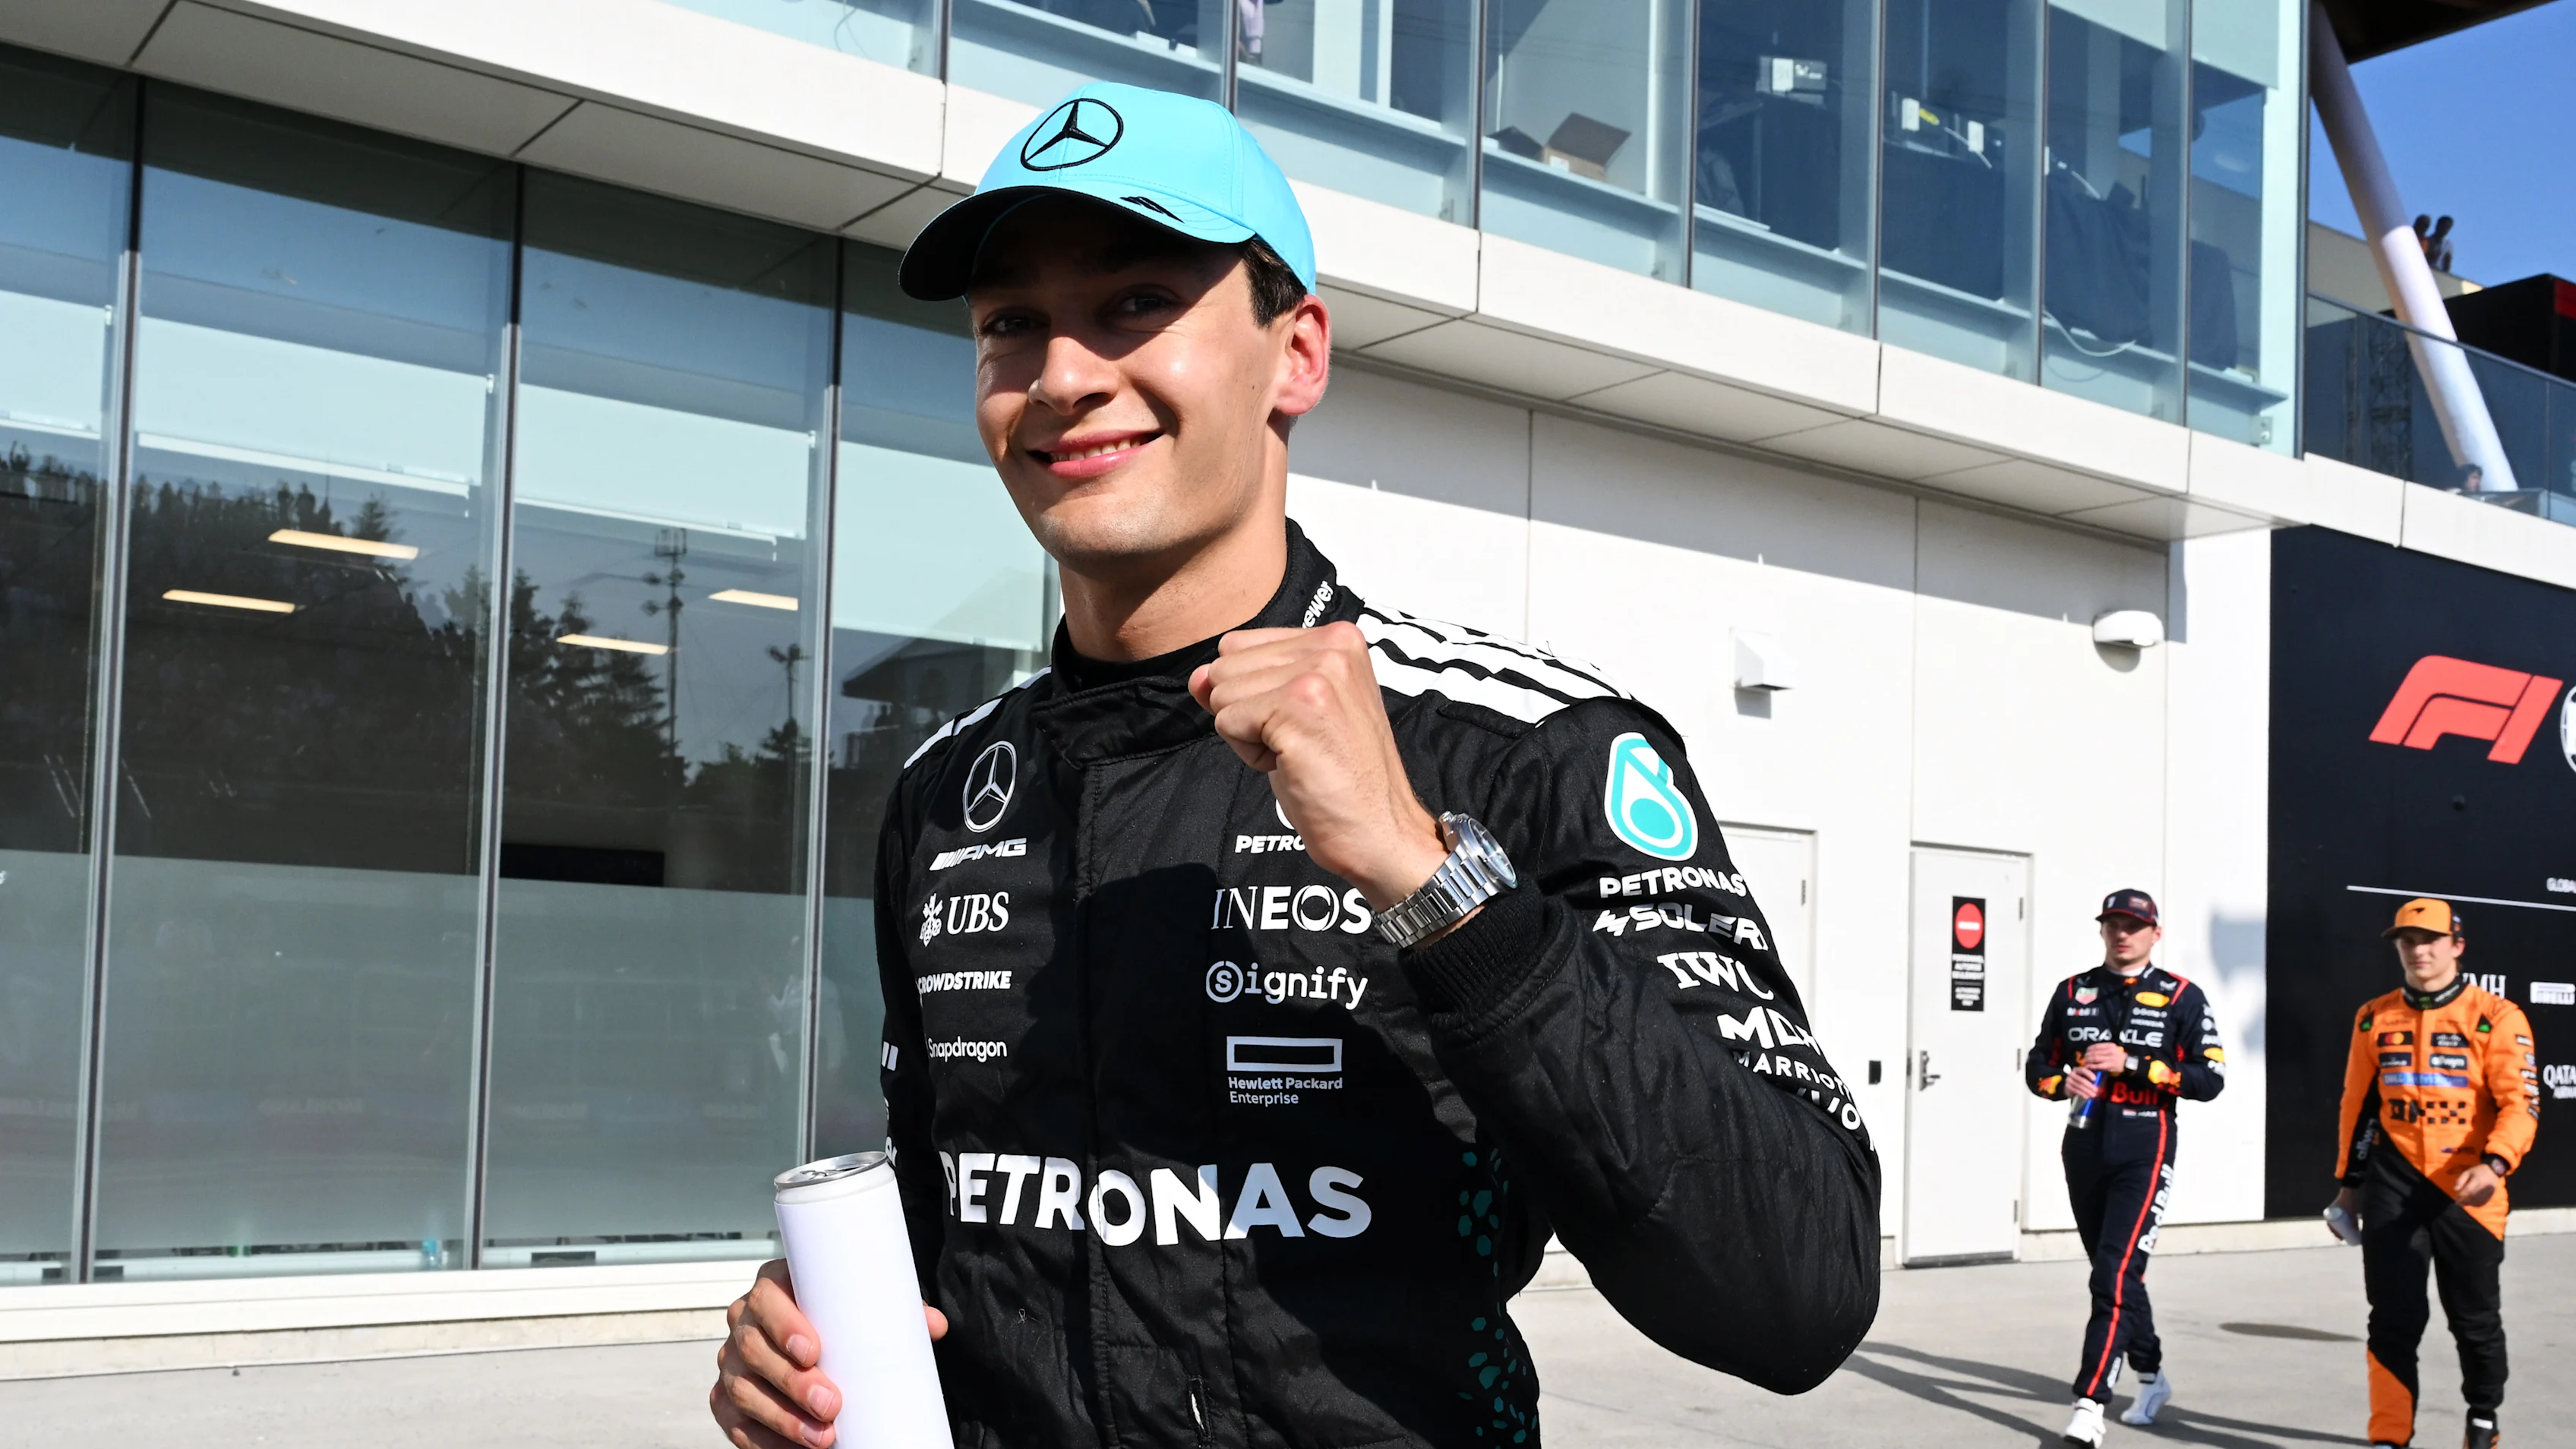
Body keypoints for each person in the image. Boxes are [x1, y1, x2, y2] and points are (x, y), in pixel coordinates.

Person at [709, 81, 1882, 1449]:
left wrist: (1431, 878)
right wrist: (801, 1343)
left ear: (1298, 354)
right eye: (1009, 324)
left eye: (1137, 300)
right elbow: (952, 1214)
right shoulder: (946, 791)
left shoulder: (1526, 747)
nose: (1064, 374)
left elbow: (1798, 1292)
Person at [2023, 889, 2226, 1447]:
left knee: (2112, 1274)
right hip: (2084, 1144)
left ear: (2155, 934)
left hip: (2146, 1144)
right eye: (2113, 924)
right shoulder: (2073, 992)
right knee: (2114, 1274)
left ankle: (2089, 1404)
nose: (2122, 934)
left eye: (2134, 926)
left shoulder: (2182, 996)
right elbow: (2037, 1065)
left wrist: (2137, 1065)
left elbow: (2209, 1080)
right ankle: (2153, 1375)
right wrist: (2061, 1081)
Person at [2331, 898, 2537, 1449]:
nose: (2418, 950)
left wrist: (2496, 1163)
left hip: (2469, 1190)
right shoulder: (2374, 1015)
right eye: (2406, 940)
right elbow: (2359, 1106)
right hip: (2393, 1187)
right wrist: (2348, 1189)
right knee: (2392, 1320)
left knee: (2475, 1321)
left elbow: (2521, 1104)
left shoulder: (2498, 1015)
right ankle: (2389, 1437)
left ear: (2457, 945)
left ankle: (2483, 1420)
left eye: (2430, 939)